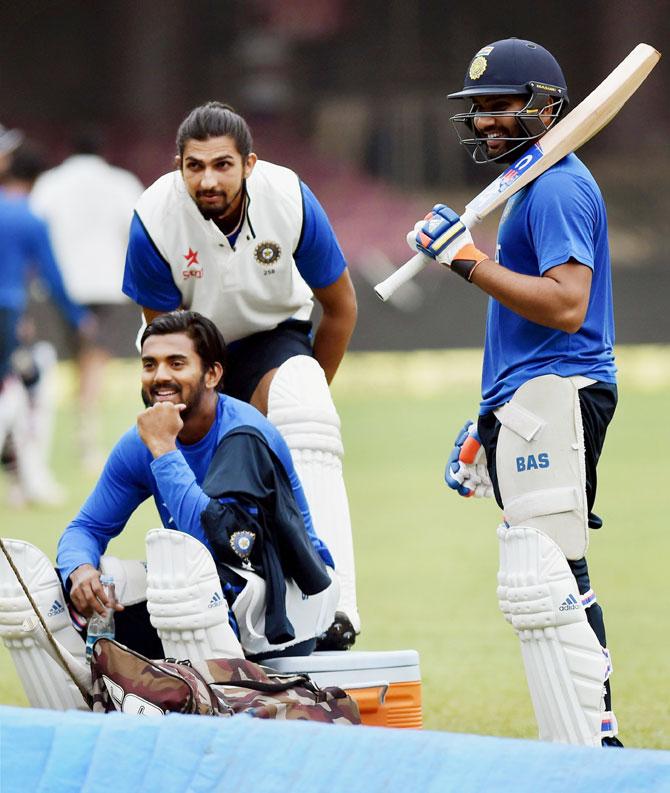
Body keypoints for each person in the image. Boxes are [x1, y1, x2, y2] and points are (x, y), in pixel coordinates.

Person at [406, 38, 621, 747]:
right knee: (543, 569)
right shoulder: (532, 185)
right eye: (480, 111)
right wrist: (487, 423)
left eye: (502, 107)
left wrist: (465, 260)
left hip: (560, 393)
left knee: (555, 571)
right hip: (531, 400)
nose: (488, 122)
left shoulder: (558, 185)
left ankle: (598, 740)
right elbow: (524, 328)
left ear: (547, 107)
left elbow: (565, 304)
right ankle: (586, 740)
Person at [122, 101, 360, 648]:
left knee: (303, 398)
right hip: (192, 349)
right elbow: (163, 343)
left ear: (249, 163)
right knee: (209, 489)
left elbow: (341, 308)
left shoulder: (290, 198)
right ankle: (227, 619)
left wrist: (306, 410)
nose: (208, 179)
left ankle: (335, 605)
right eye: (195, 166)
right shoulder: (154, 216)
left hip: (274, 338)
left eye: (222, 165)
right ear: (178, 165)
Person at [57, 310, 338, 662]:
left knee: (190, 577)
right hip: (207, 593)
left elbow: (220, 544)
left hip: (288, 600)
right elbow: (86, 527)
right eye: (149, 365)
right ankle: (94, 700)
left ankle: (211, 698)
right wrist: (80, 571)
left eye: (176, 364)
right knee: (80, 584)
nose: (160, 376)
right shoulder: (141, 442)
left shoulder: (244, 435)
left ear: (212, 374)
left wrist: (164, 450)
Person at [30, 128, 144, 470]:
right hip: (106, 283)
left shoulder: (51, 182)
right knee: (94, 360)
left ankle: (37, 442)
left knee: (51, 358)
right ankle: (87, 439)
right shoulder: (121, 181)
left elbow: (38, 228)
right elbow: (137, 229)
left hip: (60, 284)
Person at [0, 141, 93, 505]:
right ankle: (32, 479)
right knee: (28, 388)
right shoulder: (30, 219)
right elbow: (52, 277)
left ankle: (23, 481)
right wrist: (77, 317)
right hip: (7, 312)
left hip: (10, 313)